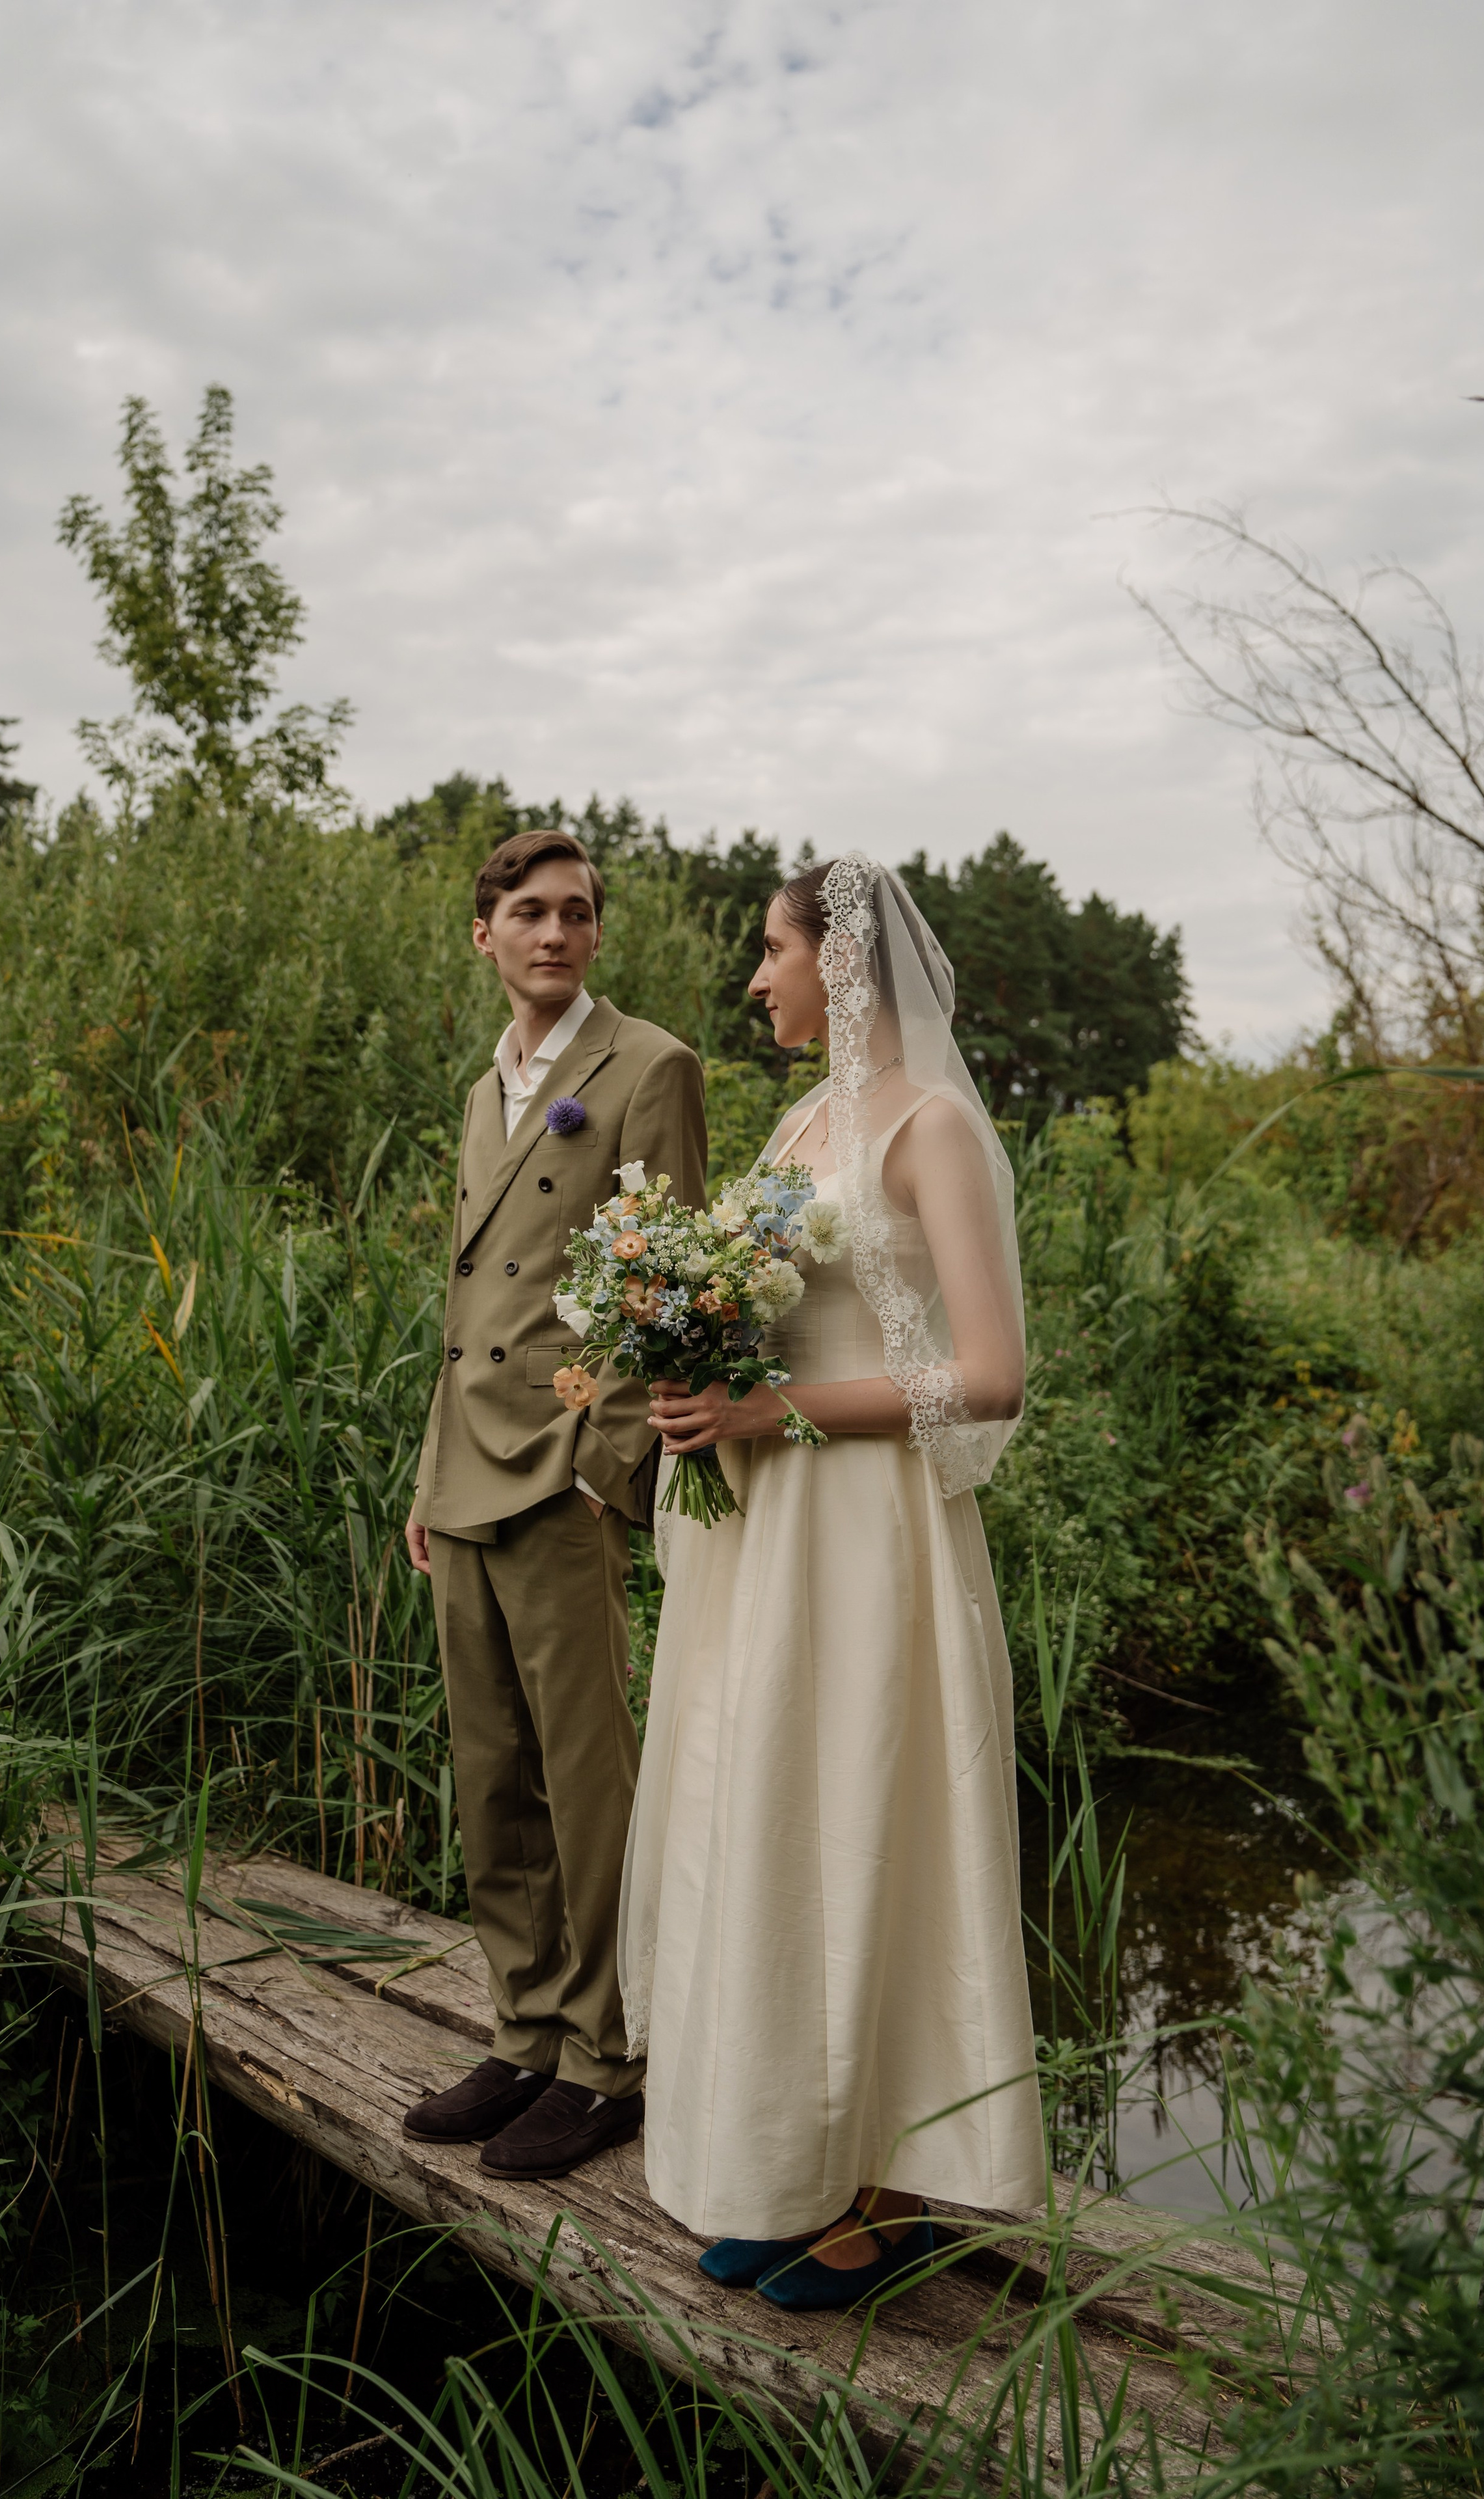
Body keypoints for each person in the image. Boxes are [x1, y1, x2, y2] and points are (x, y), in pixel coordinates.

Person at [618, 852, 1046, 2308]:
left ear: (841, 960)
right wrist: (687, 1363)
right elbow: (773, 1315)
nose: (756, 979)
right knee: (769, 1818)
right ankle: (789, 2172)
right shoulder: (803, 1122)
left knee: (866, 1816)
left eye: (772, 950)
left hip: (868, 1534)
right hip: (768, 1530)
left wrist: (770, 1410)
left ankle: (883, 2198)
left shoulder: (932, 1128)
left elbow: (989, 1375)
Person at [403, 828, 706, 2181]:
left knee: (587, 1780)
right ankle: (524, 2031)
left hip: (562, 1471)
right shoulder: (488, 1087)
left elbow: (665, 1282)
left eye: (578, 913)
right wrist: (426, 1478)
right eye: (530, 912)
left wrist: (607, 1469)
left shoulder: (649, 1066)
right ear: (485, 934)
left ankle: (605, 2060)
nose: (557, 934)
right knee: (490, 1773)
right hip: (466, 1466)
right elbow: (467, 1302)